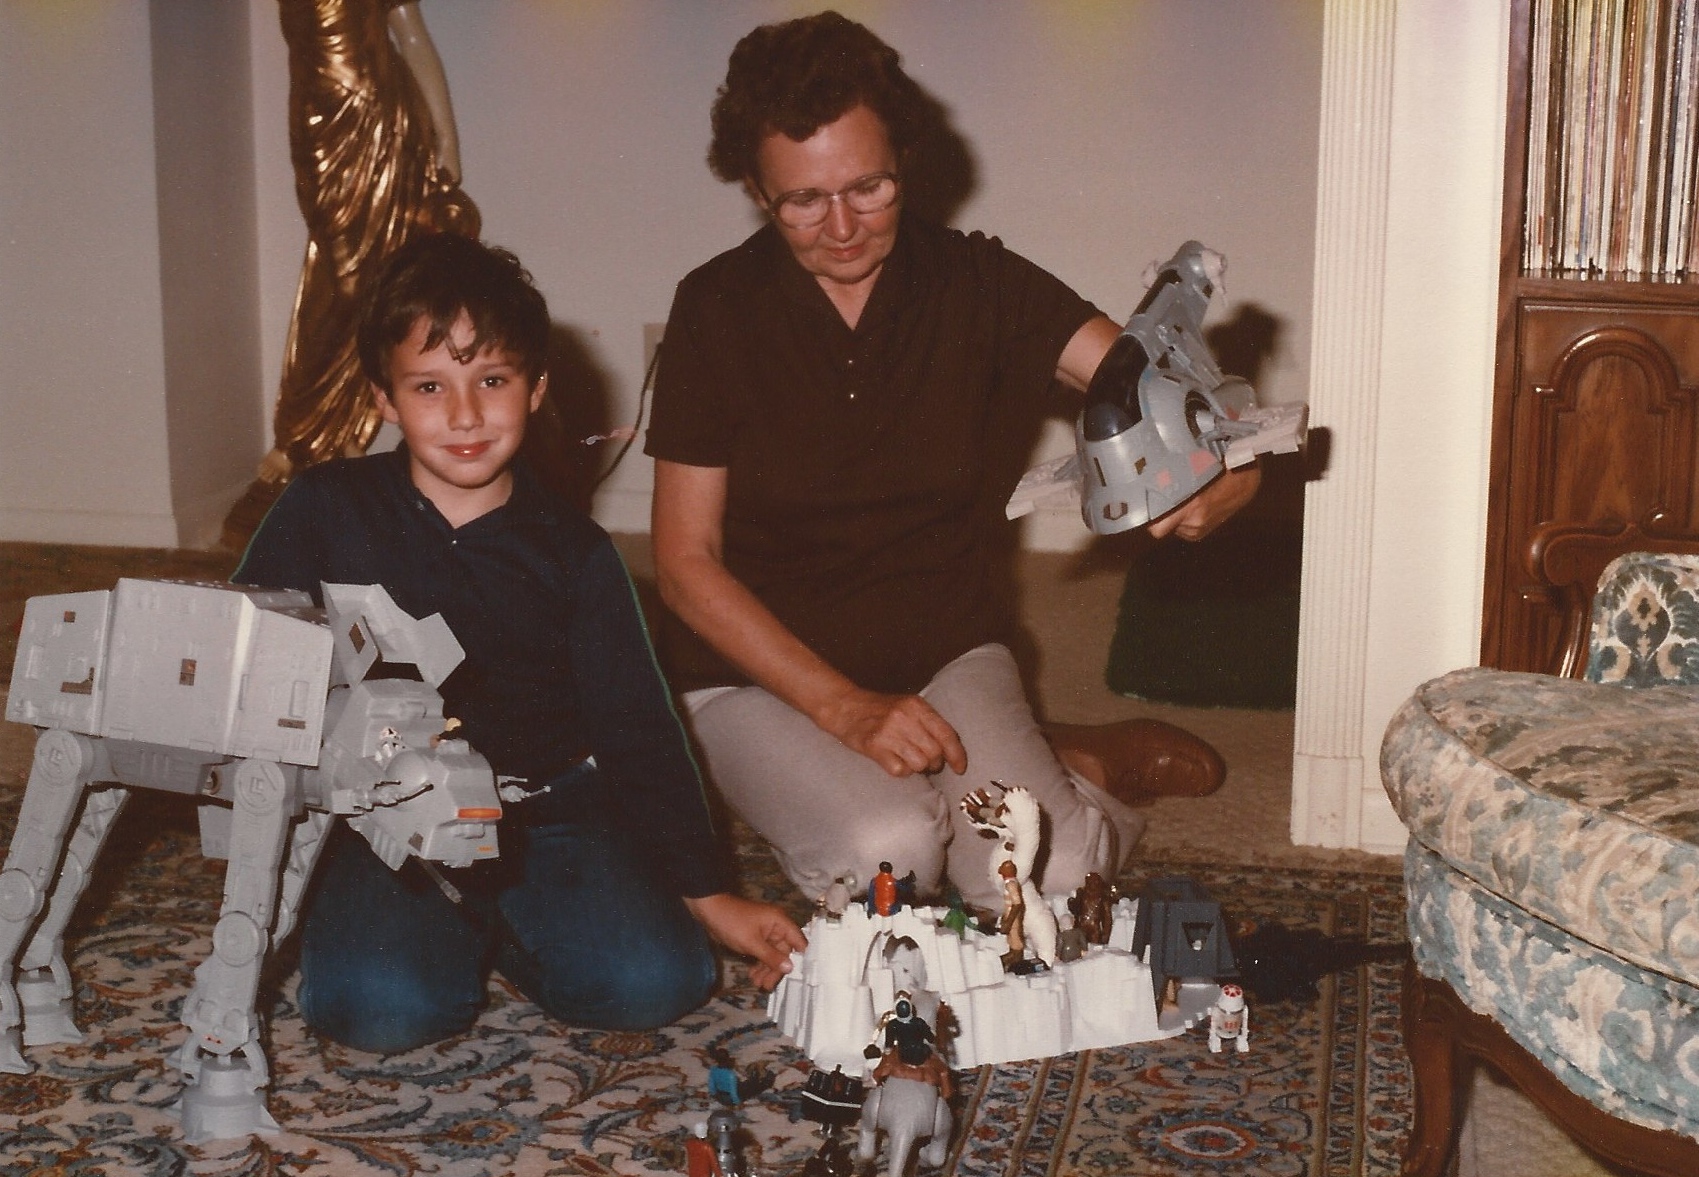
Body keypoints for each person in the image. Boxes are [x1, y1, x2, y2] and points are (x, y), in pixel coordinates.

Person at [645, 11, 1259, 911]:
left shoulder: (981, 283)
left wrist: (1233, 469)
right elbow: (683, 562)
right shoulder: (715, 310)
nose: (842, 227)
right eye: (802, 201)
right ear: (753, 187)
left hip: (941, 647)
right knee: (887, 852)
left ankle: (1077, 767)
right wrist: (842, 706)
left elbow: (1151, 383)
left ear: (906, 160)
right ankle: (1005, 763)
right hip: (759, 677)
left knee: (1046, 878)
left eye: (869, 187)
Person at [236, 233, 804, 1054]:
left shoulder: (575, 552)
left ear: (536, 389)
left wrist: (707, 892)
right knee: (383, 1011)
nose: (465, 414)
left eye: (492, 381)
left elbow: (640, 727)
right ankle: (434, 932)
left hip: (546, 805)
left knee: (657, 983)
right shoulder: (323, 506)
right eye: (429, 386)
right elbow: (246, 654)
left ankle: (506, 928)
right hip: (379, 811)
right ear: (384, 398)